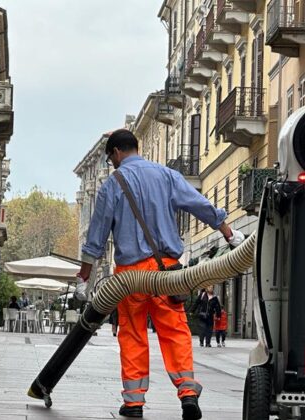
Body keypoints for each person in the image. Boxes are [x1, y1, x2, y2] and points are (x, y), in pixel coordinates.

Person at [74, 129, 245, 419]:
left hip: (130, 277)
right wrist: (228, 233)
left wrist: (83, 280)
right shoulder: (166, 176)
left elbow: (96, 237)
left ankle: (134, 402)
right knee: (175, 330)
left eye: (110, 159)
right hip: (167, 270)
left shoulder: (113, 184)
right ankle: (188, 393)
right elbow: (199, 204)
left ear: (115, 153)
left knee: (132, 334)